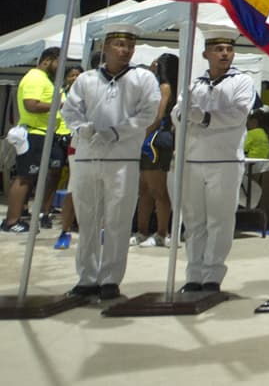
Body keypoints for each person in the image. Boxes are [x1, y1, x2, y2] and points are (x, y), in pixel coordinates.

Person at [60, 23, 161, 300]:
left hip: (122, 158)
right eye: (119, 44)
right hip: (88, 156)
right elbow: (70, 110)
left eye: (129, 45)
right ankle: (87, 277)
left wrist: (118, 132)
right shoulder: (87, 79)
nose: (125, 50)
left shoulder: (143, 78)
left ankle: (110, 279)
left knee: (117, 220)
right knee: (88, 218)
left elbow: (148, 112)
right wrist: (82, 128)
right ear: (105, 47)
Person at [176, 25, 257, 293]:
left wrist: (204, 118)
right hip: (194, 160)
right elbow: (177, 113)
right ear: (206, 53)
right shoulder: (194, 85)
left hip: (224, 161)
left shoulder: (241, 81)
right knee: (194, 220)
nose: (225, 54)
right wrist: (185, 115)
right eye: (218, 49)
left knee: (219, 220)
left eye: (229, 49)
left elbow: (238, 114)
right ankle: (193, 274)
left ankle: (212, 274)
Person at [3, 46, 67, 234]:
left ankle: (34, 214)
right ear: (47, 60)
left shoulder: (45, 80)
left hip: (46, 134)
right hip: (34, 133)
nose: (61, 67)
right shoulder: (34, 78)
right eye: (59, 62)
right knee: (24, 177)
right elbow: (31, 105)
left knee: (39, 176)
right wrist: (61, 104)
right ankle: (11, 221)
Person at [133, 53, 178, 248]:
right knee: (144, 190)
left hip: (155, 139)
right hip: (151, 138)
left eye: (155, 63)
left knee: (157, 190)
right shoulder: (158, 85)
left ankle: (162, 233)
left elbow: (158, 116)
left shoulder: (165, 87)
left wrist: (140, 136)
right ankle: (142, 231)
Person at [54, 65, 83, 250]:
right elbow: (67, 114)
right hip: (79, 144)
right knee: (73, 189)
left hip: (106, 147)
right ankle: (65, 231)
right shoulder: (77, 91)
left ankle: (101, 230)